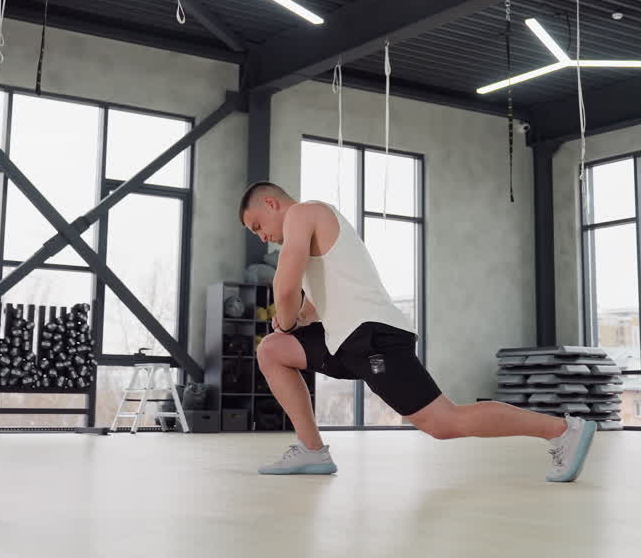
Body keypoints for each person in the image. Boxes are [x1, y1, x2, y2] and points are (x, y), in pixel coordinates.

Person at [237, 181, 596, 482]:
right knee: (273, 349)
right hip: (346, 340)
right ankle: (312, 451)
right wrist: (297, 319)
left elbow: (284, 287)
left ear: (272, 203)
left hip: (373, 336)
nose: (264, 237)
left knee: (443, 422)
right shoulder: (315, 230)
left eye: (257, 226)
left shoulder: (303, 212)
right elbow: (314, 303)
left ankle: (564, 430)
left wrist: (284, 320)